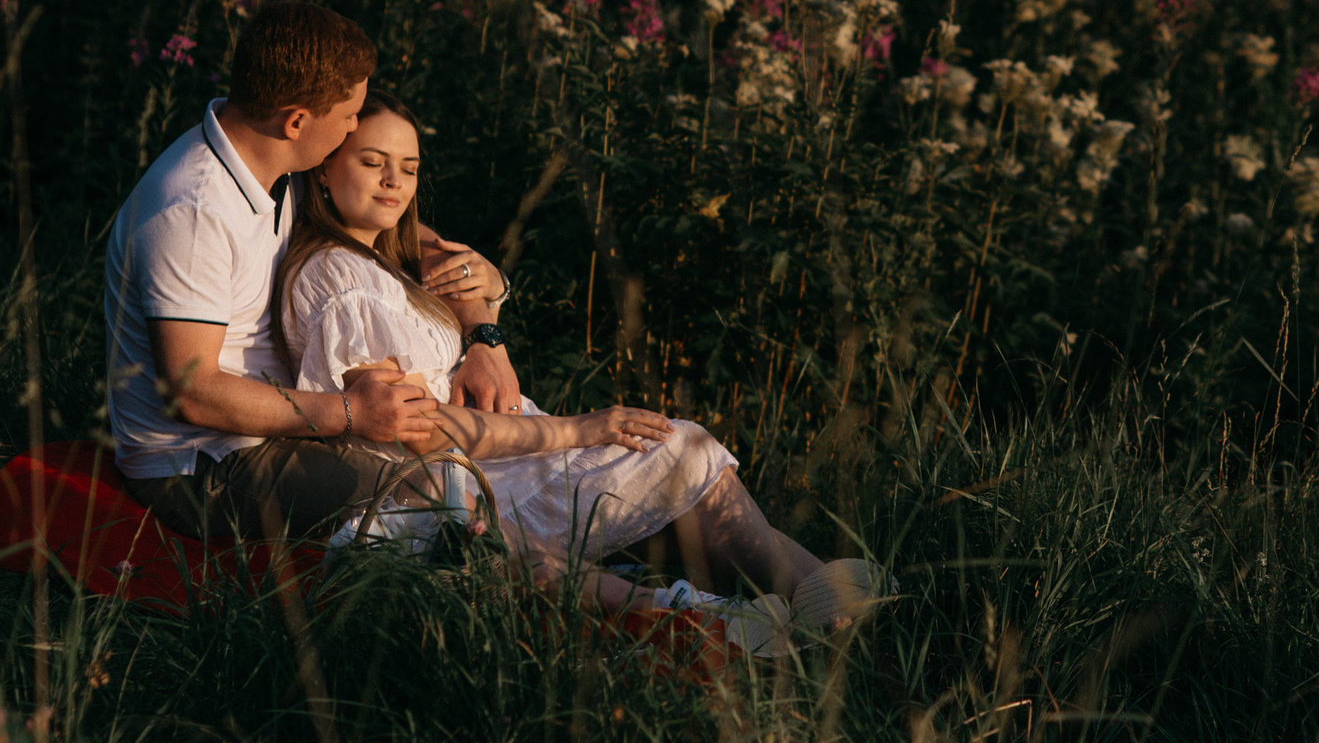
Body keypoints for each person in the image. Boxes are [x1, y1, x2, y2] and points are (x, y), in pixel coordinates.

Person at [272, 90, 890, 642]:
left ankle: (816, 595)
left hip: (493, 451)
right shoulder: (344, 280)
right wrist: (580, 428)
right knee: (678, 449)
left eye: (408, 169)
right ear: (324, 169)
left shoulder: (381, 253)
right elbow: (423, 432)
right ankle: (806, 604)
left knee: (676, 453)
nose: (394, 183)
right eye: (372, 162)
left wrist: (487, 322)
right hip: (456, 478)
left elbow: (459, 267)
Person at [105, 3, 519, 544]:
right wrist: (350, 412)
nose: (354, 126)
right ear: (297, 121)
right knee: (436, 499)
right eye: (349, 115)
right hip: (203, 462)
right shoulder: (191, 211)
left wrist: (484, 331)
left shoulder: (277, 166)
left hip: (287, 420)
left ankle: (604, 581)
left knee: (474, 479)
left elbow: (410, 238)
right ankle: (613, 601)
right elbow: (193, 392)